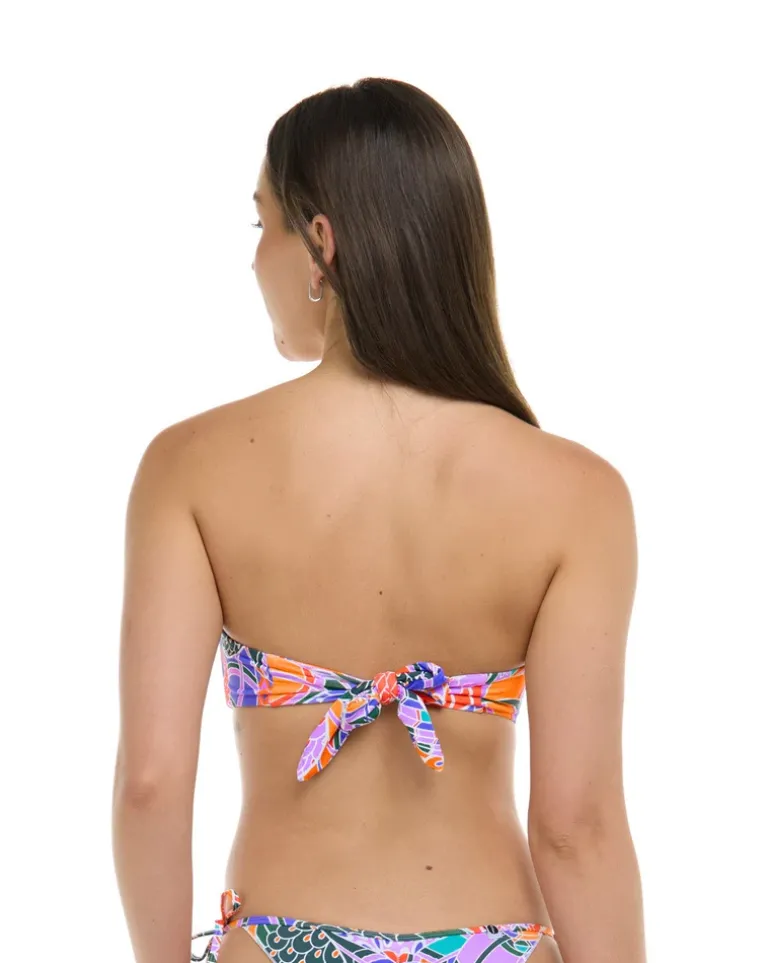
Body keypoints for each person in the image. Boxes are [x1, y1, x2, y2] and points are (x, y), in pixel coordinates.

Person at [112, 77, 646, 963]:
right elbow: (576, 826)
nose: (254, 259)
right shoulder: (579, 493)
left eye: (262, 224)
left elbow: (151, 784)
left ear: (321, 243)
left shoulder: (191, 465)